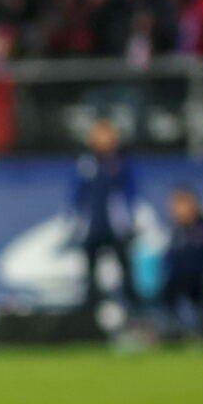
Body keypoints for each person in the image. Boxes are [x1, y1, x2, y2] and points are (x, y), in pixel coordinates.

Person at [70, 118, 141, 313]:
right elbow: (77, 194)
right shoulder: (87, 162)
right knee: (90, 275)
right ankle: (89, 316)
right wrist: (76, 221)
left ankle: (135, 314)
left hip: (116, 227)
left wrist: (129, 221)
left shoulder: (121, 162)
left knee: (126, 271)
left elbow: (130, 193)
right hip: (93, 227)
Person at [158, 187, 203, 338]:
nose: (176, 209)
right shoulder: (176, 231)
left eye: (181, 204)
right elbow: (168, 258)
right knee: (166, 293)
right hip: (179, 280)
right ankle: (174, 330)